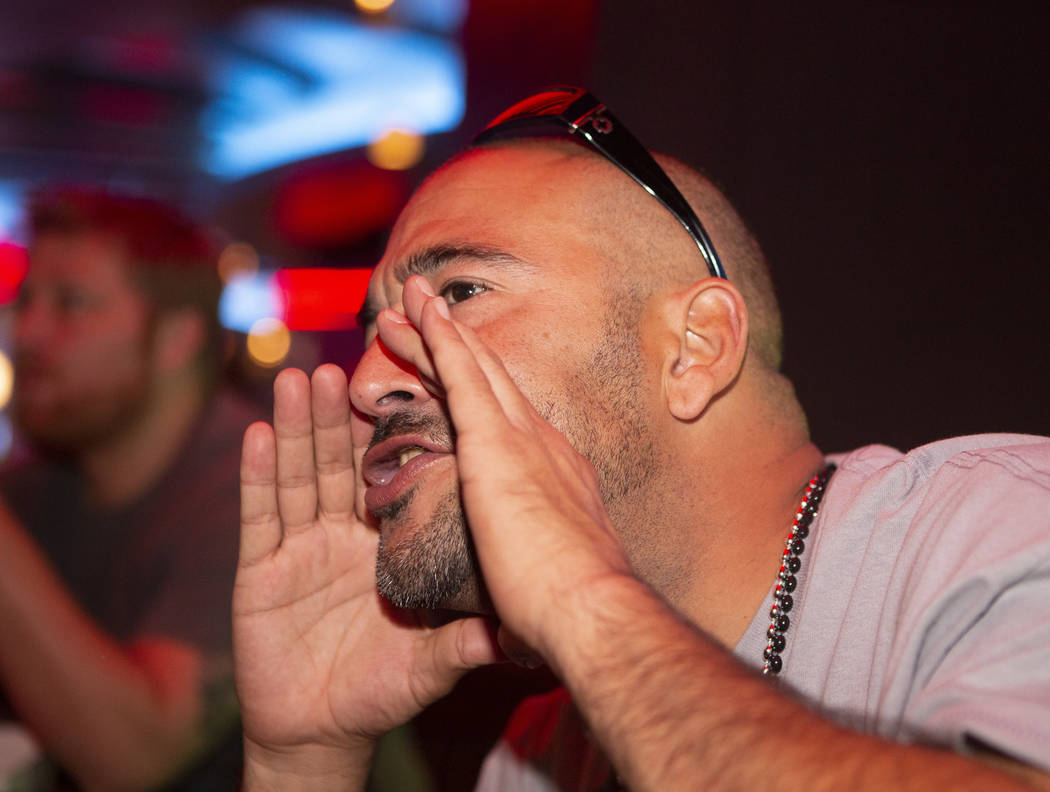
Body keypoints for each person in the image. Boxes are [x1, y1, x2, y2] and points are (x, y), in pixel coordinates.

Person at [233, 87, 1050, 791]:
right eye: (376, 327)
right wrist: (302, 762)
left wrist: (580, 601)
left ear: (694, 349)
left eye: (462, 290)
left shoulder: (1001, 526)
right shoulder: (539, 756)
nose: (372, 382)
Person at [0, 188, 260, 790]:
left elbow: (137, 759)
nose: (29, 332)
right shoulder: (44, 485)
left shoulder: (256, 490)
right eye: (25, 300)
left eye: (71, 304)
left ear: (176, 339)